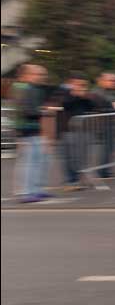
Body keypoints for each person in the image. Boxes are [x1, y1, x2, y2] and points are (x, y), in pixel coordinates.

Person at [14, 65, 51, 203]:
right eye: (37, 74)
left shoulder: (32, 89)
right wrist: (43, 112)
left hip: (32, 129)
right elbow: (26, 110)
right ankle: (26, 192)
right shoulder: (22, 88)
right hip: (25, 130)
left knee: (37, 160)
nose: (41, 77)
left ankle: (35, 190)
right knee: (29, 162)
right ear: (26, 75)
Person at [60, 73, 94, 189]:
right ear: (72, 83)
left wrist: (85, 97)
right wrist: (74, 95)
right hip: (69, 128)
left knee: (82, 155)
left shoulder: (85, 94)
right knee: (71, 156)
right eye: (78, 84)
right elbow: (65, 105)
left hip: (84, 128)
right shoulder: (64, 92)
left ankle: (81, 177)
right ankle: (71, 180)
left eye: (83, 84)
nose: (81, 86)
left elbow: (91, 107)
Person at [90, 72, 115, 179]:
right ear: (101, 81)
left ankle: (106, 170)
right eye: (111, 81)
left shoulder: (109, 93)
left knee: (109, 148)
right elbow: (98, 108)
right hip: (102, 124)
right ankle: (102, 171)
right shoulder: (96, 93)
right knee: (105, 148)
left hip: (109, 123)